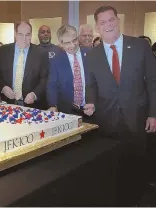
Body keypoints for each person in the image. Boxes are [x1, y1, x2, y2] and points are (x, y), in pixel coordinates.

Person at [83, 6, 156, 206]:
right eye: (103, 22)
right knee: (113, 165)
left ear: (118, 20)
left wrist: (153, 113)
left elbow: (152, 81)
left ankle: (137, 199)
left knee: (137, 163)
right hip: (107, 120)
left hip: (137, 117)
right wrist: (90, 102)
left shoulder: (140, 46)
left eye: (111, 20)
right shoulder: (92, 55)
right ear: (97, 27)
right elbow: (91, 85)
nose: (108, 25)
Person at [0, 21, 49, 109]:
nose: (24, 39)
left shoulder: (41, 53)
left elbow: (45, 79)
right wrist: (3, 88)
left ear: (31, 35)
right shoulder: (2, 51)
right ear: (15, 34)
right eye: (21, 34)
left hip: (32, 106)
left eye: (27, 35)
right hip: (7, 103)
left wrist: (35, 94)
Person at [47, 25, 90, 118]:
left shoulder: (90, 54)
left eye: (74, 40)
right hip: (67, 111)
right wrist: (53, 105)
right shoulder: (56, 61)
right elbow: (52, 85)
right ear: (61, 44)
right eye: (67, 43)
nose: (72, 45)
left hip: (90, 109)